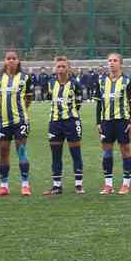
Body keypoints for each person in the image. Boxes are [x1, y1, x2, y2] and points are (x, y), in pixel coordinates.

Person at [0, 50, 35, 197]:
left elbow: (28, 98)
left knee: (21, 151)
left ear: (18, 61)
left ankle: (25, 185)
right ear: (4, 61)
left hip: (20, 121)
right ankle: (3, 186)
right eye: (8, 58)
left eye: (13, 58)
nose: (11, 61)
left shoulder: (25, 78)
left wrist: (21, 111)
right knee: (3, 152)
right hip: (2, 121)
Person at [41, 56, 87, 196]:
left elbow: (78, 103)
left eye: (63, 66)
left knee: (75, 154)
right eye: (58, 67)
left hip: (71, 122)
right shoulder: (50, 83)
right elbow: (49, 98)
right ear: (55, 68)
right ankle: (56, 186)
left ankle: (78, 185)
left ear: (68, 68)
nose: (60, 69)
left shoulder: (75, 84)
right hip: (55, 123)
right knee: (56, 154)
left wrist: (70, 114)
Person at [95, 52, 131, 194]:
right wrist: (98, 122)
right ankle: (108, 184)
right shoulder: (101, 81)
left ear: (120, 63)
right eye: (109, 61)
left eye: (114, 60)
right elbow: (99, 104)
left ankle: (126, 183)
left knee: (125, 150)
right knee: (107, 151)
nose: (111, 63)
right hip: (106, 121)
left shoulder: (127, 81)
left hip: (122, 121)